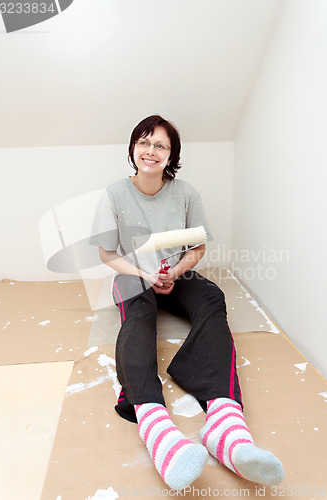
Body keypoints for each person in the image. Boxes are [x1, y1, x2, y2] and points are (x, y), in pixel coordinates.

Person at [90, 115, 284, 490]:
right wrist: (145, 277)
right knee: (138, 315)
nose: (151, 151)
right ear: (133, 149)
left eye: (160, 145)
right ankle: (154, 422)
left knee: (212, 295)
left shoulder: (186, 194)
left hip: (175, 274)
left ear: (171, 155)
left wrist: (174, 273)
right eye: (144, 142)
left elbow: (197, 249)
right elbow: (106, 254)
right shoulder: (114, 194)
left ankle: (226, 426)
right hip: (133, 274)